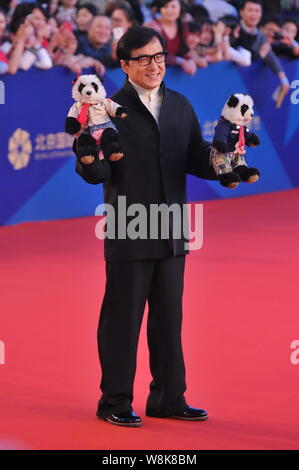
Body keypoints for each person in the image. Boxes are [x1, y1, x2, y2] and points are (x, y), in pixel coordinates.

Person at [75, 25, 218, 427]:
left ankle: (169, 398)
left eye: (159, 57)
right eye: (143, 59)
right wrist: (88, 159)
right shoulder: (104, 108)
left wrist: (222, 162)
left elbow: (194, 155)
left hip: (172, 228)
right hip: (127, 227)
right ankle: (115, 401)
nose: (154, 65)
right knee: (123, 319)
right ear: (124, 65)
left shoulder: (180, 105)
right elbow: (95, 169)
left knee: (169, 319)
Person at [236, 0, 290, 95]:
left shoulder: (260, 35)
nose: (253, 14)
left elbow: (269, 55)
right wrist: (261, 54)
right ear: (241, 12)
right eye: (250, 10)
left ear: (261, 14)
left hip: (245, 85)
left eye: (257, 11)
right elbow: (247, 55)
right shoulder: (234, 28)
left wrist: (283, 78)